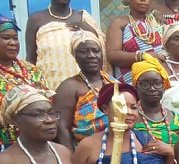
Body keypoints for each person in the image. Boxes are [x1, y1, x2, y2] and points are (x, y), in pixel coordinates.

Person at [55, 30, 114, 148]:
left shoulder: (113, 82)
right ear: (75, 57)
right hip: (86, 150)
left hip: (116, 145)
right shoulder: (68, 87)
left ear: (102, 55)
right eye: (83, 51)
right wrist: (71, 161)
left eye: (96, 51)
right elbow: (61, 127)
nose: (91, 55)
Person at [25, 0, 102, 90]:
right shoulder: (36, 19)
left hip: (85, 87)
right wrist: (34, 86)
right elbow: (30, 60)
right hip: (50, 86)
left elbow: (99, 50)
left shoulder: (83, 18)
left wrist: (86, 27)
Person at [0, 15, 50, 151]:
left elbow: (47, 98)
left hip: (35, 139)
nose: (12, 43)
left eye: (15, 38)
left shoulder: (31, 70)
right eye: (6, 38)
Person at [132, 53, 179, 145]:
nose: (152, 88)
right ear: (135, 86)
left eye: (157, 83)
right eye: (145, 84)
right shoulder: (130, 118)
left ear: (164, 86)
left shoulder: (176, 119)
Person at [106, 0, 164, 84]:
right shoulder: (119, 23)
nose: (143, 0)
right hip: (130, 84)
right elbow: (112, 55)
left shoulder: (157, 20)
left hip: (159, 82)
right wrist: (144, 56)